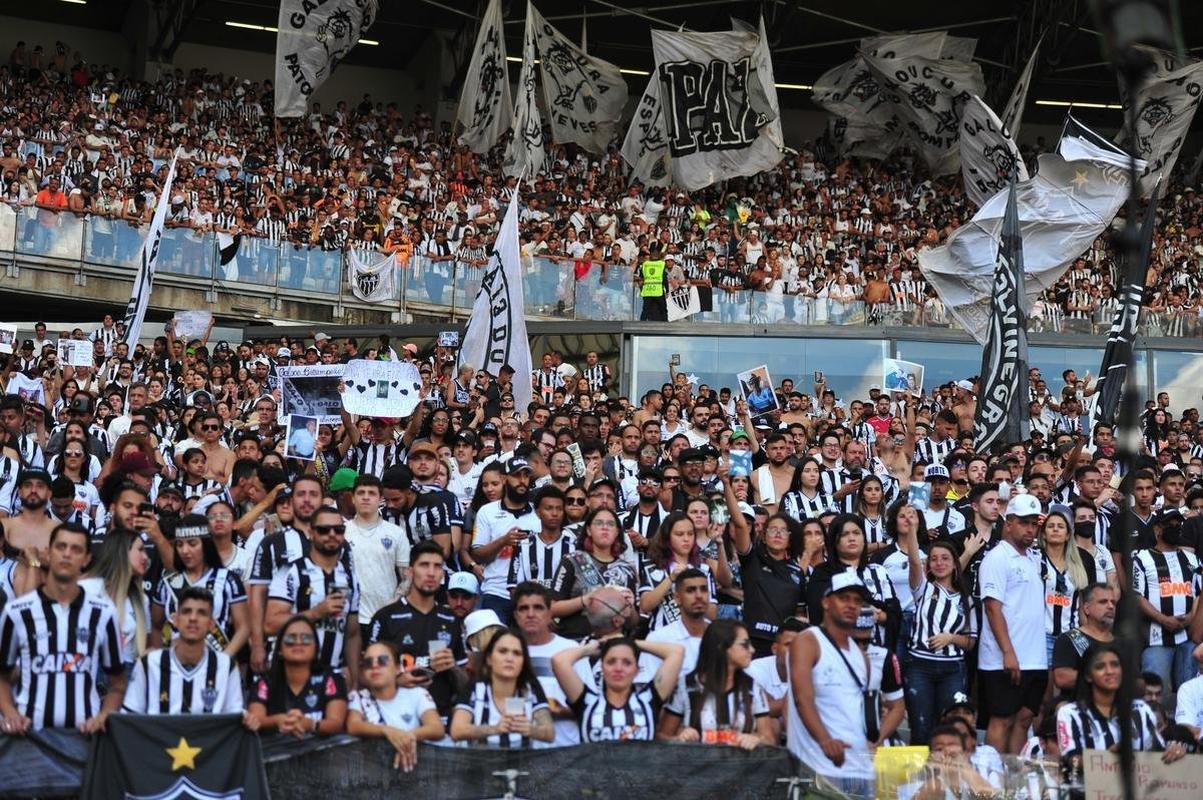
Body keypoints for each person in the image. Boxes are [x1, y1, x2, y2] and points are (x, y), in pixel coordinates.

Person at [0, 524, 126, 733]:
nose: (67, 554)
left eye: (76, 549)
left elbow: (118, 684)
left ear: (86, 560)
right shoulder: (17, 612)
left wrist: (103, 716)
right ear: (48, 553)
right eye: (61, 547)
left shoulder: (103, 613)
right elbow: (2, 676)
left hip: (83, 740)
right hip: (29, 739)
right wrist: (11, 713)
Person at [787, 571, 877, 794]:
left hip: (860, 769)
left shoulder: (861, 655)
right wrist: (825, 740)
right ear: (826, 602)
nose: (851, 605)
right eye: (844, 598)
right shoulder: (808, 641)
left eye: (857, 600)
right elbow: (802, 698)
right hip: (820, 767)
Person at [366, 541, 468, 725]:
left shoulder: (451, 619)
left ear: (442, 574)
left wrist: (452, 667)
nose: (431, 573)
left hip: (441, 720)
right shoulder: (385, 617)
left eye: (437, 566)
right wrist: (396, 681)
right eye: (424, 565)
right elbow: (364, 675)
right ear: (409, 572)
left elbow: (465, 684)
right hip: (395, 721)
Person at [1056, 643, 1185, 786]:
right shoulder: (1070, 713)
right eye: (1100, 667)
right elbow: (1070, 760)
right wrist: (1106, 756)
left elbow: (1157, 753)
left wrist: (1174, 752)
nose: (1110, 671)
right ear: (1088, 675)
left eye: (1115, 665)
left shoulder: (1141, 710)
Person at [978, 493, 1048, 754]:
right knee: (1002, 719)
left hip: (1034, 657)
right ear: (1008, 523)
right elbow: (992, 607)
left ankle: (1014, 782)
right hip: (1004, 658)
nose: (1030, 529)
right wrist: (1008, 652)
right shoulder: (997, 558)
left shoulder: (1032, 558)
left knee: (1023, 720)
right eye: (1023, 523)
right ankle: (993, 782)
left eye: (1034, 523)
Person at [265, 506, 361, 684]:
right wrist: (315, 613)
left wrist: (355, 680)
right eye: (324, 530)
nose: (332, 534)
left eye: (338, 530)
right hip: (290, 678)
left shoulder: (350, 577)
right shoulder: (291, 571)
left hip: (334, 679)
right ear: (311, 533)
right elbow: (271, 624)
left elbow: (353, 634)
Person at [902, 520, 975, 745]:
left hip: (953, 668)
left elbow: (971, 642)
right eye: (933, 559)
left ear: (955, 563)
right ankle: (919, 779)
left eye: (945, 558)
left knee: (950, 730)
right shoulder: (923, 588)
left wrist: (951, 638)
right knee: (921, 728)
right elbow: (914, 561)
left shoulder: (966, 599)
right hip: (919, 667)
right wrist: (912, 530)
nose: (939, 563)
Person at [122, 587, 246, 717]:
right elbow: (129, 718)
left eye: (202, 613)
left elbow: (235, 719)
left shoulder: (226, 666)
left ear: (211, 625)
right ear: (175, 620)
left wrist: (248, 719)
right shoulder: (148, 664)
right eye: (186, 612)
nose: (193, 618)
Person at [658, 618, 775, 749]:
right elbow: (662, 736)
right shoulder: (686, 686)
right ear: (722, 647)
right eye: (745, 644)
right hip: (695, 766)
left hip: (741, 767)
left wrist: (756, 740)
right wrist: (680, 739)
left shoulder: (753, 687)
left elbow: (769, 739)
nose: (752, 650)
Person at [552, 636, 685, 742]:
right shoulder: (587, 702)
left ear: (637, 670)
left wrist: (630, 643)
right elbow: (559, 661)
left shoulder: (649, 700)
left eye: (627, 663)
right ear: (601, 668)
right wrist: (593, 647)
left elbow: (677, 652)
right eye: (611, 662)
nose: (618, 669)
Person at [151, 514, 249, 657]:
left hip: (214, 665)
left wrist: (224, 660)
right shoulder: (166, 583)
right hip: (173, 670)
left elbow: (244, 627)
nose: (184, 551)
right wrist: (159, 661)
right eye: (179, 544)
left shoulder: (228, 580)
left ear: (206, 544)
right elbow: (156, 626)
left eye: (192, 543)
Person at [1131, 506, 1201, 692]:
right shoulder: (1142, 558)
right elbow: (1137, 596)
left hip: (1188, 637)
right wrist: (1163, 620)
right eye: (1170, 524)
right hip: (1157, 640)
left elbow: (1199, 593)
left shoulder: (1192, 559)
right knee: (1154, 691)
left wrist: (1190, 618)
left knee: (1189, 690)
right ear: (1157, 529)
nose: (1175, 527)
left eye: (1178, 524)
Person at [347, 640, 446, 771]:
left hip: (414, 773)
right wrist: (388, 731)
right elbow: (353, 725)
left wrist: (405, 738)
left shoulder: (418, 694)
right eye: (368, 663)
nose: (375, 666)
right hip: (373, 774)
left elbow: (436, 728)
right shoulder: (358, 697)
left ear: (398, 667)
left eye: (382, 660)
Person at [450, 627, 555, 747]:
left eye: (517, 653)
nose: (509, 659)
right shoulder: (476, 687)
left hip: (522, 763)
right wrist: (495, 729)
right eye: (503, 651)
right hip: (481, 763)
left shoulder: (530, 688)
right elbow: (457, 731)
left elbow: (549, 733)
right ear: (489, 658)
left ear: (523, 661)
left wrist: (531, 730)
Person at [247, 615, 348, 736]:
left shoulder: (332, 678)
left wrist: (311, 724)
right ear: (279, 649)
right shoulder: (264, 681)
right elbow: (254, 720)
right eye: (290, 639)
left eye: (306, 639)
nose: (298, 642)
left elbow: (337, 723)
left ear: (316, 648)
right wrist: (278, 720)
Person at [549, 507, 640, 640]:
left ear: (617, 532)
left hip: (613, 646)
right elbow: (552, 609)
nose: (605, 527)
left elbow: (634, 622)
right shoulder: (571, 561)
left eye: (610, 524)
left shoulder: (627, 570)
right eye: (599, 523)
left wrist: (629, 607)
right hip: (575, 642)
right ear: (588, 530)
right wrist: (585, 600)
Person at [470, 457, 540, 621]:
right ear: (503, 478)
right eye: (516, 475)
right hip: (496, 592)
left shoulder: (538, 515)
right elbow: (477, 555)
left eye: (526, 476)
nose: (522, 481)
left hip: (530, 595)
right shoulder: (487, 512)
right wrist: (503, 541)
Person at [512, 581, 580, 746]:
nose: (530, 614)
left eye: (538, 607)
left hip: (565, 749)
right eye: (523, 608)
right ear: (515, 615)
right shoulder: (509, 651)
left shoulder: (571, 649)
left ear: (550, 613)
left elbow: (588, 704)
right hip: (522, 751)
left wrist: (563, 712)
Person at [79, 528, 151, 670]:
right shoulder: (85, 590)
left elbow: (137, 652)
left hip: (125, 676)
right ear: (122, 552)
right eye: (140, 550)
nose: (146, 557)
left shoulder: (142, 599)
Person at [343, 474, 410, 624]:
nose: (366, 497)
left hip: (386, 617)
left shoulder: (396, 533)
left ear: (380, 499)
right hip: (350, 617)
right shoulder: (341, 532)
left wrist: (395, 602)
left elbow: (407, 577)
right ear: (353, 498)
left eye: (372, 493)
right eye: (361, 493)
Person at [1051, 582, 1116, 695]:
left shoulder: (1121, 644)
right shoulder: (1069, 639)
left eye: (1113, 602)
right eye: (1103, 602)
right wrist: (1106, 677)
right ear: (1086, 609)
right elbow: (1062, 678)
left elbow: (1137, 682)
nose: (1110, 606)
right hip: (1077, 705)